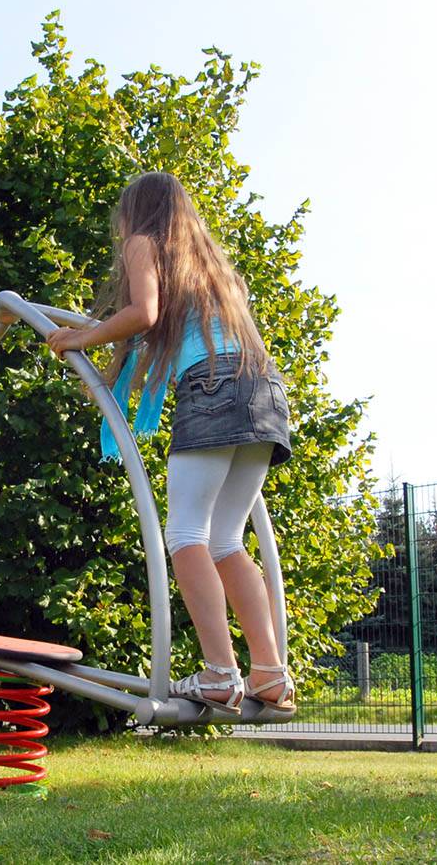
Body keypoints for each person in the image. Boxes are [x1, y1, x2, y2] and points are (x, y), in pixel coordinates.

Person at [46, 172, 295, 714]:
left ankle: (220, 673)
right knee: (226, 540)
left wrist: (83, 336)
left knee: (184, 534)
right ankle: (271, 673)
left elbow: (145, 313)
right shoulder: (214, 267)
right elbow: (171, 340)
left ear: (136, 213)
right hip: (264, 391)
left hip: (212, 387)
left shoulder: (144, 243)